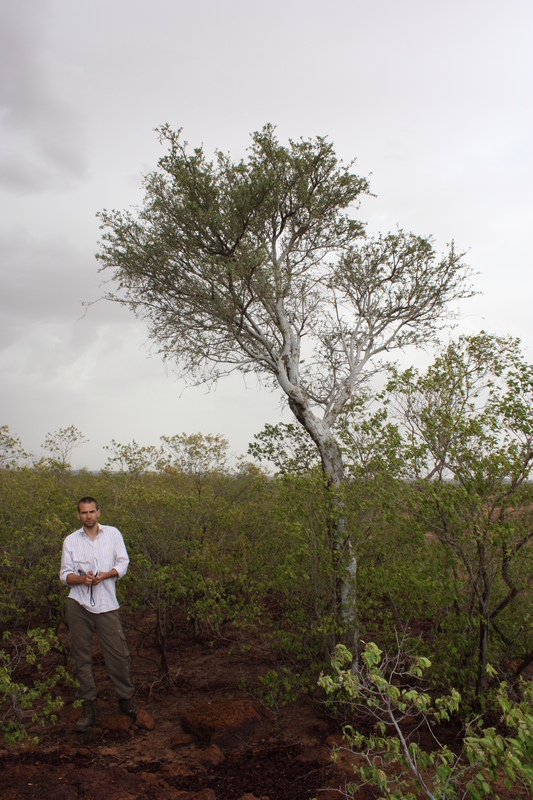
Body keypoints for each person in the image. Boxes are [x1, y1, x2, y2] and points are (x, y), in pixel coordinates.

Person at [60, 496, 137, 732]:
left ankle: (125, 700)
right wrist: (83, 579)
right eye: (84, 513)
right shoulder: (71, 541)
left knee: (118, 653)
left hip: (106, 603)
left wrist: (106, 574)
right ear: (78, 516)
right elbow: (65, 575)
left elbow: (123, 563)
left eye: (92, 512)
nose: (88, 516)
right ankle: (87, 706)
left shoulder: (113, 534)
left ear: (98, 513)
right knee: (80, 655)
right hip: (78, 604)